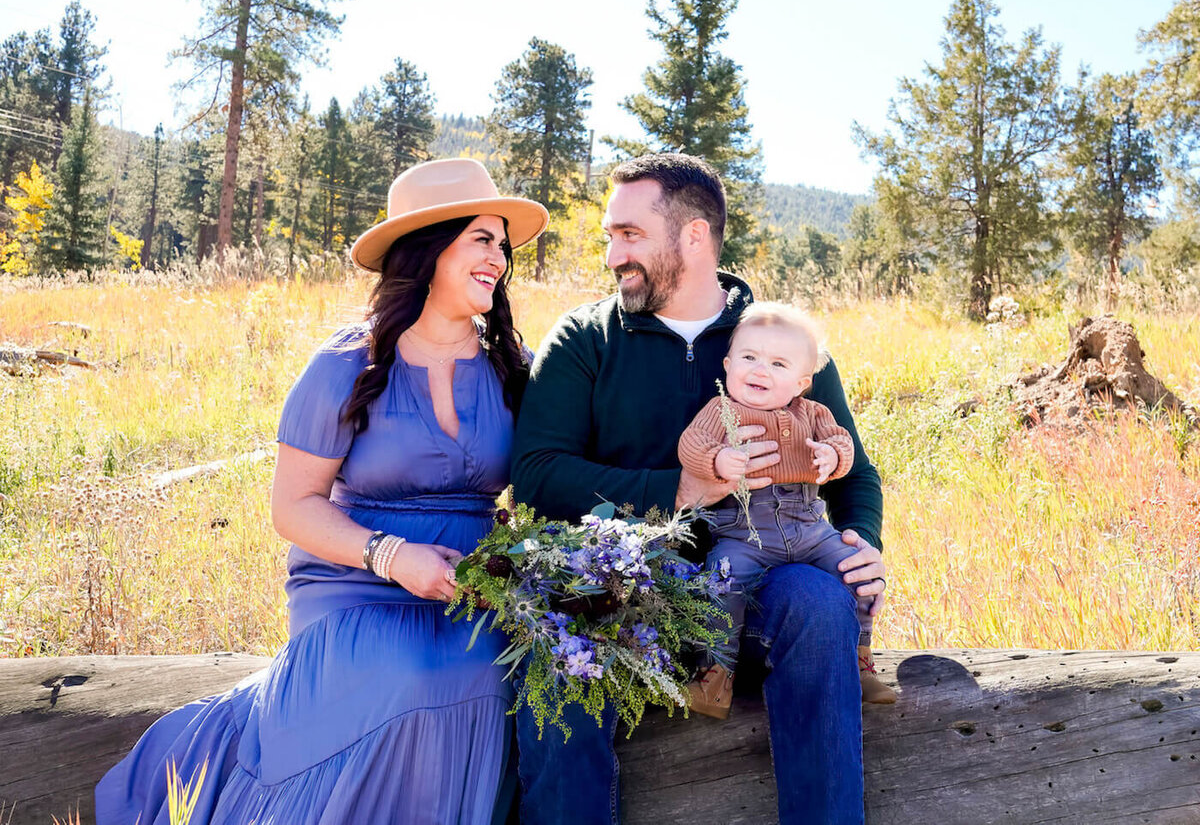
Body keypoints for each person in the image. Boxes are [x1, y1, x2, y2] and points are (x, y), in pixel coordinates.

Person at [95, 158, 548, 825]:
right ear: (429, 248)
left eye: (502, 242)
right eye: (482, 237)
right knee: (408, 674)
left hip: (474, 590)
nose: (500, 256)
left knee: (491, 672)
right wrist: (394, 556)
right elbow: (292, 506)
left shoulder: (514, 366)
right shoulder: (347, 364)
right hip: (357, 586)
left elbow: (556, 470)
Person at [510, 152, 886, 825]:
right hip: (621, 586)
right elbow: (537, 475)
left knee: (821, 601)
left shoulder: (774, 339)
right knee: (559, 641)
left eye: (628, 234)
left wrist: (864, 543)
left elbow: (851, 467)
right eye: (608, 236)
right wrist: (676, 487)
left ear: (693, 236)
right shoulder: (585, 338)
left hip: (759, 583)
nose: (612, 255)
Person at [677, 301, 895, 718]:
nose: (760, 370)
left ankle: (860, 659)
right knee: (722, 580)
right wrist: (719, 462)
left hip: (808, 527)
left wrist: (832, 456)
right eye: (749, 358)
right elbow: (692, 445)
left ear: (801, 381)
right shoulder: (721, 411)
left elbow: (843, 443)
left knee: (857, 571)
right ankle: (715, 676)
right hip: (744, 533)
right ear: (727, 364)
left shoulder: (813, 413)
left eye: (778, 364)